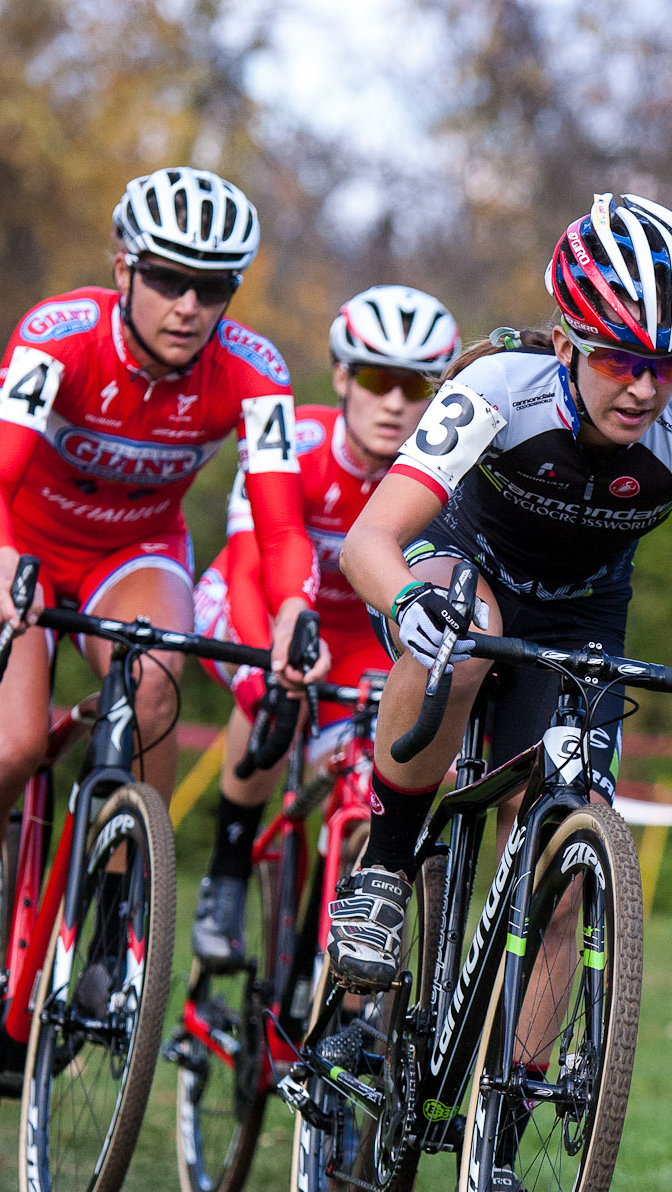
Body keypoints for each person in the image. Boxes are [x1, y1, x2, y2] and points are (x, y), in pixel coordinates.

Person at [327, 191, 672, 1192]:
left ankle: (495, 1155)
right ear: (566, 342)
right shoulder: (496, 388)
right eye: (618, 359)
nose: (646, 386)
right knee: (466, 636)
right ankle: (383, 868)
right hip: (466, 566)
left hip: (586, 613)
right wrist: (404, 603)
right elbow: (372, 538)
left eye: (670, 362)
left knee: (566, 851)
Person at [0, 165, 320, 1120]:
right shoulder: (59, 336)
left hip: (135, 548)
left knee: (158, 681)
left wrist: (294, 607)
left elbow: (285, 530)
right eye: (169, 277)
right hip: (20, 542)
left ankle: (119, 929)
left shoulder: (255, 371)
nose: (188, 304)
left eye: (213, 287)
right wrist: (0, 561)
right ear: (124, 267)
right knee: (2, 752)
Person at [190, 284, 462, 968]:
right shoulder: (298, 440)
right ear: (343, 375)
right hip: (254, 599)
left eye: (418, 384)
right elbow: (252, 561)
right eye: (377, 378)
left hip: (357, 643)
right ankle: (224, 879)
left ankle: (323, 948)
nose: (396, 402)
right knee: (268, 693)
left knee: (381, 770)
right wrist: (271, 663)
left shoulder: (443, 473)